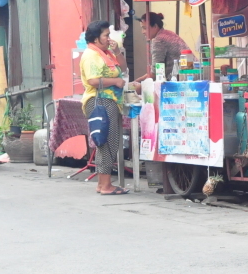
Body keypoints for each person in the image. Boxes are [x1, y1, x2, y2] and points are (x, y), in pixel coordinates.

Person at [80, 20, 130, 195]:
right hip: (100, 101)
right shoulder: (91, 55)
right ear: (95, 38)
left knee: (108, 142)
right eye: (106, 35)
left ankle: (102, 184)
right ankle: (106, 185)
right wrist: (115, 81)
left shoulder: (105, 53)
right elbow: (93, 80)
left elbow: (122, 68)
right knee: (107, 142)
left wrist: (116, 51)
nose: (109, 38)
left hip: (111, 101)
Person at [135, 12, 192, 82]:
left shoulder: (159, 40)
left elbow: (155, 72)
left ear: (155, 26)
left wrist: (136, 82)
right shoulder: (168, 33)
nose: (142, 32)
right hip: (191, 75)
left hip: (181, 79)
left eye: (145, 28)